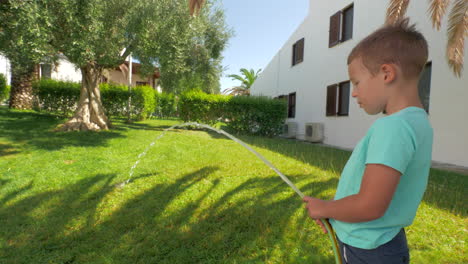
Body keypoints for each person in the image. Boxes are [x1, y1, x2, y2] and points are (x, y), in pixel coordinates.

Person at [303, 18, 433, 264]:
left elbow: (370, 206)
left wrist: (325, 208)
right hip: (384, 240)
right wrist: (337, 216)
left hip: (368, 249)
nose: (353, 92)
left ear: (386, 73)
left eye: (356, 82)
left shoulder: (394, 127)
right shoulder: (418, 122)